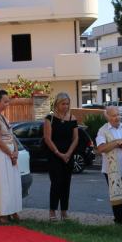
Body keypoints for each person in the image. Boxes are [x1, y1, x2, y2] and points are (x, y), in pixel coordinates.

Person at [0, 90, 22, 223]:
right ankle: (2, 213)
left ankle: (13, 210)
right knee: (2, 183)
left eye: (8, 101)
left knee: (13, 182)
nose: (7, 104)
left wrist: (16, 151)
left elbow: (12, 137)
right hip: (1, 153)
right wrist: (10, 153)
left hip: (10, 153)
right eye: (5, 101)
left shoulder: (4, 118)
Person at [43, 93, 79, 221]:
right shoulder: (49, 118)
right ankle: (52, 212)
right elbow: (47, 138)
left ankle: (64, 212)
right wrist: (59, 153)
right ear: (57, 104)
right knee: (56, 183)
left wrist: (68, 154)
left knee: (66, 184)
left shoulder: (72, 118)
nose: (66, 106)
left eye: (67, 103)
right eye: (63, 103)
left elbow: (76, 139)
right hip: (54, 156)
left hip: (68, 156)